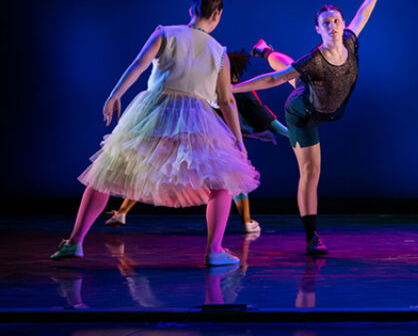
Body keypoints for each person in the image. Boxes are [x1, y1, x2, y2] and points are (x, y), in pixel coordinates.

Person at [51, 0, 259, 266]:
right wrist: (238, 140)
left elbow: (139, 64)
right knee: (220, 180)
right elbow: (226, 101)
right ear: (218, 15)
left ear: (191, 10)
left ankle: (74, 242)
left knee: (107, 170)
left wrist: (116, 93)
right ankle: (214, 251)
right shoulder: (219, 53)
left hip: (155, 113)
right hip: (197, 121)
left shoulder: (166, 33)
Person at [233, 0, 391, 255]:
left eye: (336, 21)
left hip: (319, 97)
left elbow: (363, 14)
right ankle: (312, 237)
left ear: (342, 25)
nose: (332, 26)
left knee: (294, 74)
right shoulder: (314, 60)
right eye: (326, 23)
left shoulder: (350, 42)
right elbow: (272, 79)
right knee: (311, 171)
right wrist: (231, 89)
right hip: (303, 113)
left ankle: (265, 49)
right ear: (317, 29)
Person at [102, 49, 288, 232]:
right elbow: (266, 118)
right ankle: (245, 224)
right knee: (231, 176)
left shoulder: (206, 86)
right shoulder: (233, 90)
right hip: (211, 141)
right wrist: (289, 133)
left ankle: (122, 212)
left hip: (187, 136)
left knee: (153, 168)